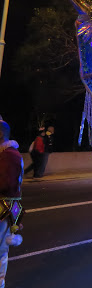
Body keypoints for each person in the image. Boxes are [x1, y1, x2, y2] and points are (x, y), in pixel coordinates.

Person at [0, 120, 24, 288]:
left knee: (1, 251)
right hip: (6, 208)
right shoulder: (8, 154)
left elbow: (7, 186)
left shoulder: (8, 155)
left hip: (3, 209)